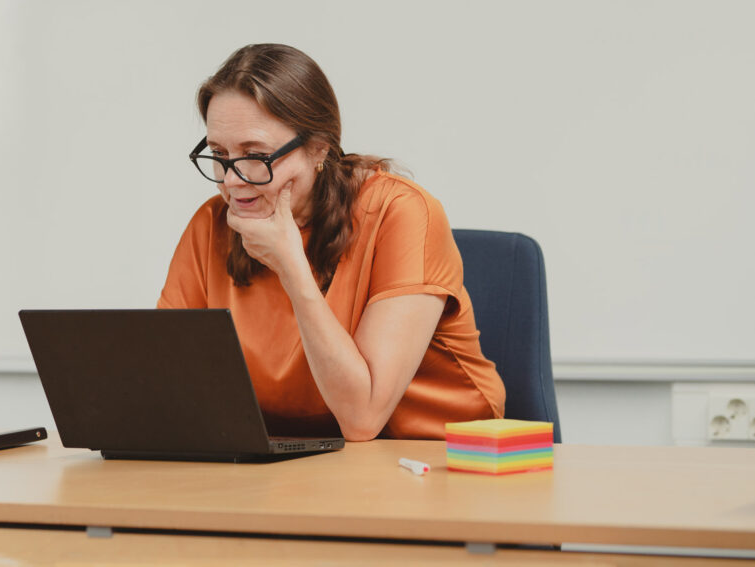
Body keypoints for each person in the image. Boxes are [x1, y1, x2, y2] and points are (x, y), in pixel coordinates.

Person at [158, 44, 505, 441]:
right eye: (219, 154)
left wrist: (292, 268)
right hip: (300, 460)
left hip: (435, 457)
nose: (232, 181)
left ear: (318, 147)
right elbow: (168, 382)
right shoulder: (212, 224)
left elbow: (362, 419)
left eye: (256, 156)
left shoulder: (403, 212)